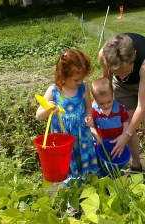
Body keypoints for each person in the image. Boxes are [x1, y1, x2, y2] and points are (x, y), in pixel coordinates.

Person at [98, 33, 145, 173]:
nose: (122, 77)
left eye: (126, 71)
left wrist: (126, 135)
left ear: (134, 56)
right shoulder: (104, 56)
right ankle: (135, 165)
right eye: (117, 73)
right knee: (125, 124)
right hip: (123, 89)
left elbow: (142, 106)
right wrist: (99, 105)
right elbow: (106, 81)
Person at [36, 49, 99, 186]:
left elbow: (89, 106)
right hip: (64, 137)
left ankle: (89, 187)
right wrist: (48, 108)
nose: (80, 82)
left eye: (82, 78)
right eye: (76, 79)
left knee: (84, 160)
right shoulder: (54, 91)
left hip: (82, 135)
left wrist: (89, 116)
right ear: (63, 75)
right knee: (69, 163)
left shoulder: (84, 88)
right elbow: (38, 116)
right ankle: (73, 194)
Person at [90, 77, 129, 145]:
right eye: (101, 103)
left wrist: (123, 134)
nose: (106, 105)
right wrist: (97, 136)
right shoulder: (94, 111)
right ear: (95, 100)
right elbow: (92, 126)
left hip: (119, 141)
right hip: (102, 142)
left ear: (112, 95)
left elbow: (125, 121)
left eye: (109, 102)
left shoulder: (120, 108)